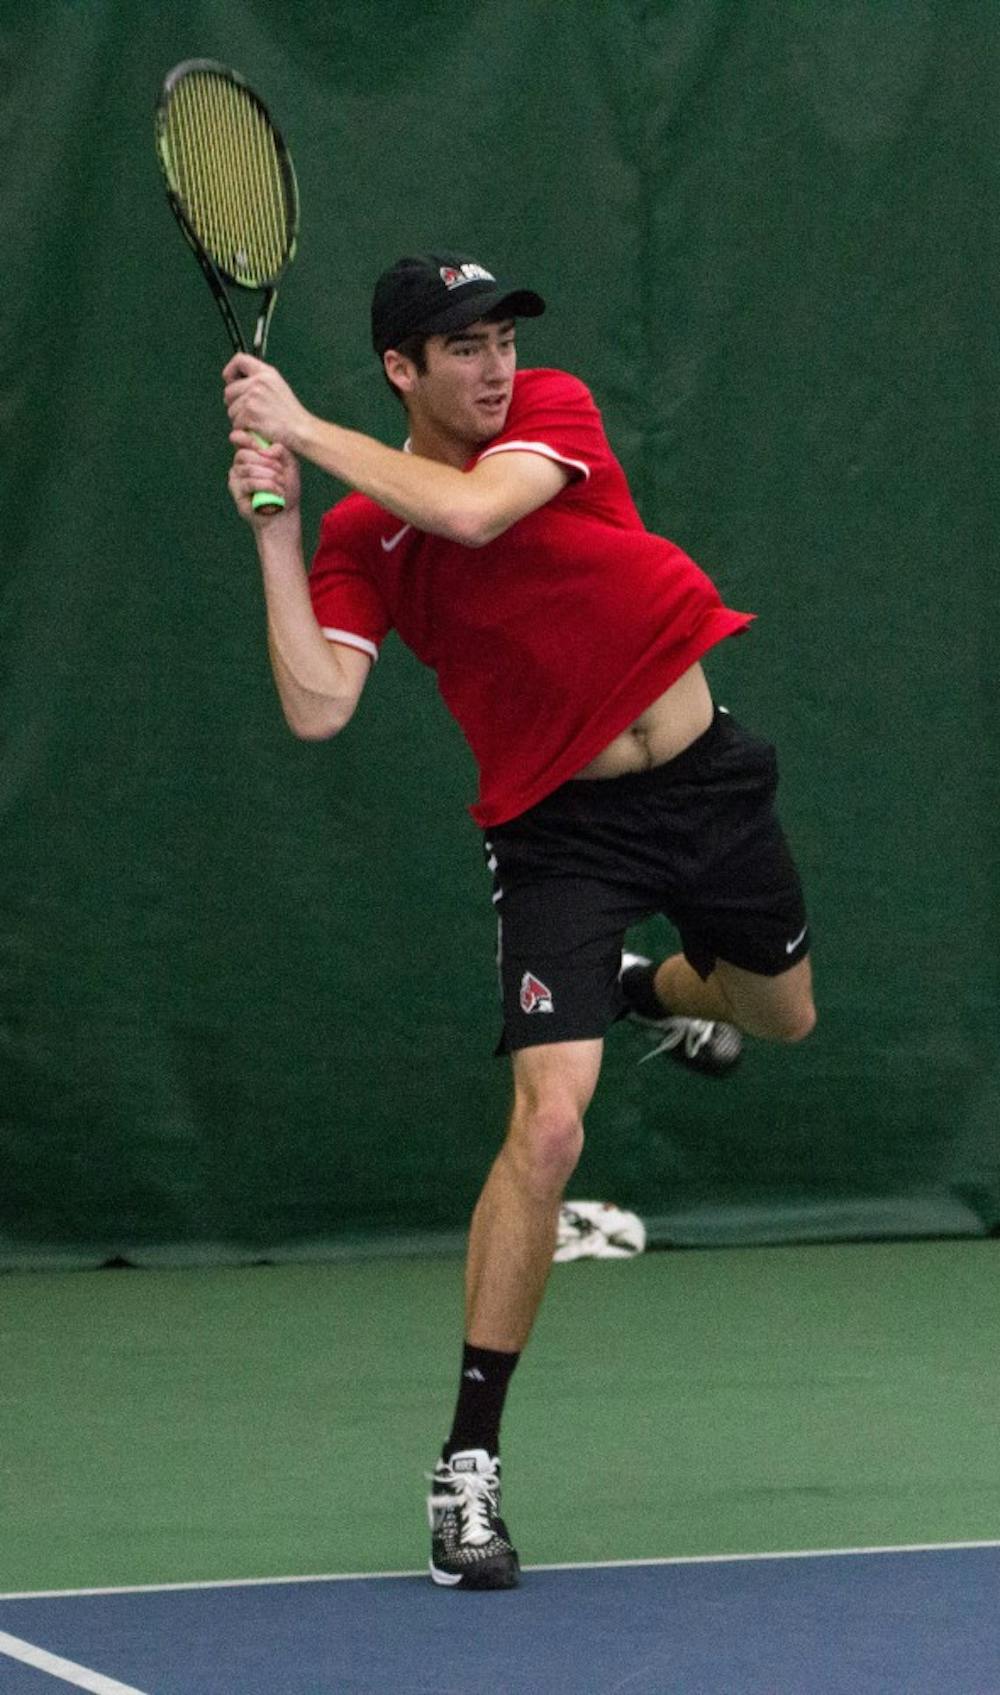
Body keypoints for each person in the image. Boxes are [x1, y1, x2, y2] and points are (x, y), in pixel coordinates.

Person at [223, 251, 816, 1591]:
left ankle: (647, 990)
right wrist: (276, 530)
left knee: (783, 1013)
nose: (495, 367)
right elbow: (319, 703)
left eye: (500, 339)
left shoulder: (552, 412)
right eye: (464, 348)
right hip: (557, 834)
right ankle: (469, 1470)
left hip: (703, 779)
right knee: (550, 1124)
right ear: (402, 370)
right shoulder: (360, 536)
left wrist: (303, 426)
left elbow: (479, 518)